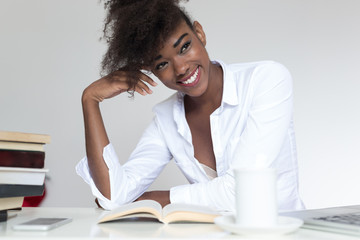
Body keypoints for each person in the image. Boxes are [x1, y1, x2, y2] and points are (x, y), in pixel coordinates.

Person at [76, 0, 304, 212]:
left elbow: (242, 193)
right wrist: (90, 100)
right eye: (162, 63)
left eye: (184, 47)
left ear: (200, 33)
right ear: (150, 70)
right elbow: (114, 196)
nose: (181, 68)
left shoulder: (266, 81)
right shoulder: (166, 119)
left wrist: (156, 198)